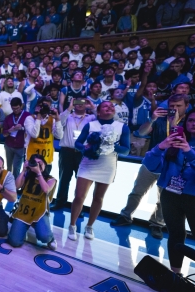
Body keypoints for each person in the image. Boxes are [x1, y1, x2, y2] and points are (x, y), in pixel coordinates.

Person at [110, 94, 188, 238]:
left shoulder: (188, 123)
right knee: (137, 191)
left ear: (186, 106)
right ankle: (126, 216)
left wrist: (174, 125)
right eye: (172, 106)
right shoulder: (159, 119)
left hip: (173, 166)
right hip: (153, 162)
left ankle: (157, 224)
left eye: (178, 106)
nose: (174, 109)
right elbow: (141, 133)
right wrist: (152, 119)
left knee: (163, 199)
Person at [68, 101, 130, 241]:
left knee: (98, 198)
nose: (110, 107)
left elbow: (126, 150)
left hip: (108, 165)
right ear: (99, 111)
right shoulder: (91, 125)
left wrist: (110, 145)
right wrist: (86, 149)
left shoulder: (122, 127)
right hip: (88, 164)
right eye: (106, 106)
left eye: (112, 106)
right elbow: (78, 143)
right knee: (79, 196)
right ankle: (72, 225)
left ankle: (89, 226)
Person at [142, 109, 195, 274]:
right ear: (185, 123)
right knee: (176, 235)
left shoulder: (186, 147)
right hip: (171, 195)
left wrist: (189, 151)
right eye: (191, 120)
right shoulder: (172, 144)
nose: (194, 123)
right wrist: (160, 147)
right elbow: (149, 165)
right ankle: (176, 275)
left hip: (193, 197)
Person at [51, 98, 96, 210]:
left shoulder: (91, 118)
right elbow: (58, 122)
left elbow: (102, 120)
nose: (80, 104)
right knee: (64, 179)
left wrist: (93, 107)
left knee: (81, 181)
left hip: (83, 153)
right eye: (77, 102)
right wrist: (69, 108)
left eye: (83, 102)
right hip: (66, 151)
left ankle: (78, 206)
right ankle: (60, 202)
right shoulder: (67, 116)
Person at [8, 154, 58, 249]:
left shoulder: (51, 179)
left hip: (39, 213)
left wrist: (38, 173)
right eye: (35, 163)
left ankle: (50, 238)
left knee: (44, 237)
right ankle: (26, 226)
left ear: (45, 165)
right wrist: (23, 170)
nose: (38, 165)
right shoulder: (27, 176)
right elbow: (16, 186)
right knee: (14, 242)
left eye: (40, 163)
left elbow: (46, 189)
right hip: (23, 212)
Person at [24, 97, 63, 175]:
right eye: (43, 105)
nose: (45, 107)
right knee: (29, 183)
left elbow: (59, 136)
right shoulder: (30, 119)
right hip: (31, 158)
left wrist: (58, 119)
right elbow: (34, 134)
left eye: (47, 106)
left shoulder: (53, 119)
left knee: (43, 184)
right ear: (38, 106)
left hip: (47, 159)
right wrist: (38, 115)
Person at [2, 97, 31, 178]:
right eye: (13, 108)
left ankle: (15, 187)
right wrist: (9, 131)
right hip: (9, 145)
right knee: (8, 167)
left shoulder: (28, 116)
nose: (15, 110)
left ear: (21, 106)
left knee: (16, 168)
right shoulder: (8, 117)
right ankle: (7, 185)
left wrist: (22, 128)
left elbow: (32, 131)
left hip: (21, 146)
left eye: (17, 108)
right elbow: (4, 133)